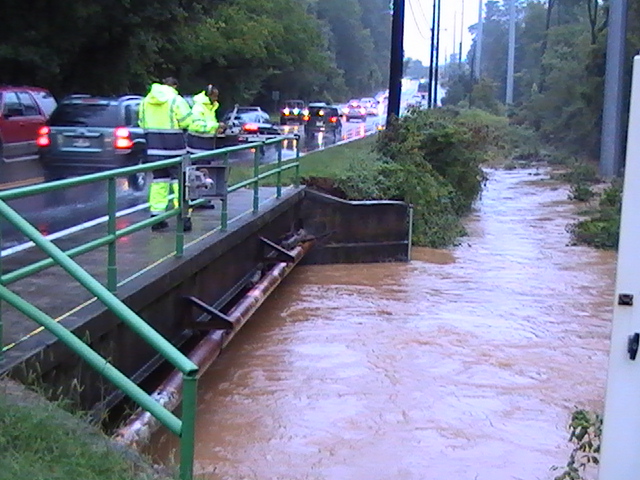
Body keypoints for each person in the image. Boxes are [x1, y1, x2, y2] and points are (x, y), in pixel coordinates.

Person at [138, 77, 193, 231]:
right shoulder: (176, 100)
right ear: (175, 86)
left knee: (159, 182)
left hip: (154, 149)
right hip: (175, 149)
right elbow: (187, 121)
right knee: (180, 183)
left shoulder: (145, 101)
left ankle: (157, 218)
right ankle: (184, 218)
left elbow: (141, 123)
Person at [186, 85, 226, 208]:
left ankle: (202, 199)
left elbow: (207, 125)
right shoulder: (199, 108)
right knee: (198, 172)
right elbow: (196, 126)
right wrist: (215, 126)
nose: (216, 98)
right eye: (215, 96)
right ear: (209, 95)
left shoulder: (209, 108)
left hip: (205, 145)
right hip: (198, 145)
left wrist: (216, 130)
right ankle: (197, 199)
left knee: (204, 172)